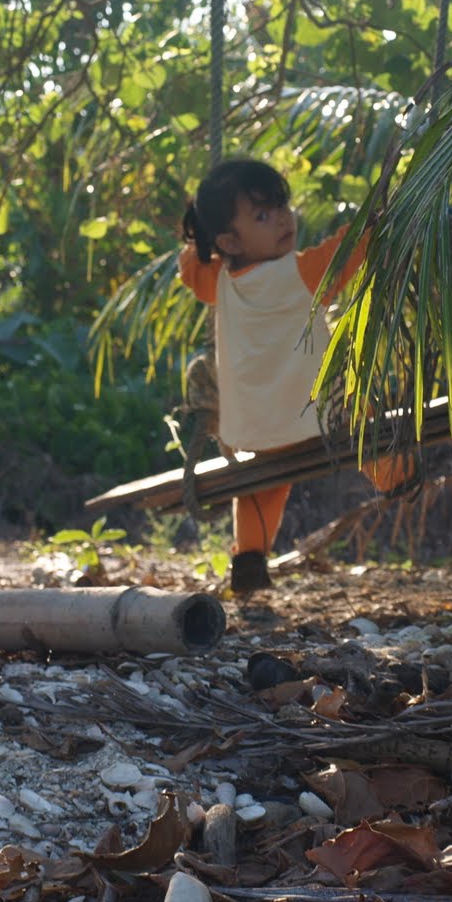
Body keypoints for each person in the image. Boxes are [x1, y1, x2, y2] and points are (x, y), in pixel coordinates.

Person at [178, 157, 408, 593]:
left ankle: (249, 556)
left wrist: (200, 230)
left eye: (281, 206)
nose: (283, 219)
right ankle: (399, 478)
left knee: (261, 488)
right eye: (262, 216)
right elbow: (350, 248)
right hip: (322, 421)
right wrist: (378, 218)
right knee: (364, 422)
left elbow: (190, 267)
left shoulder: (219, 284)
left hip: (257, 432)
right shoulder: (304, 272)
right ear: (230, 239)